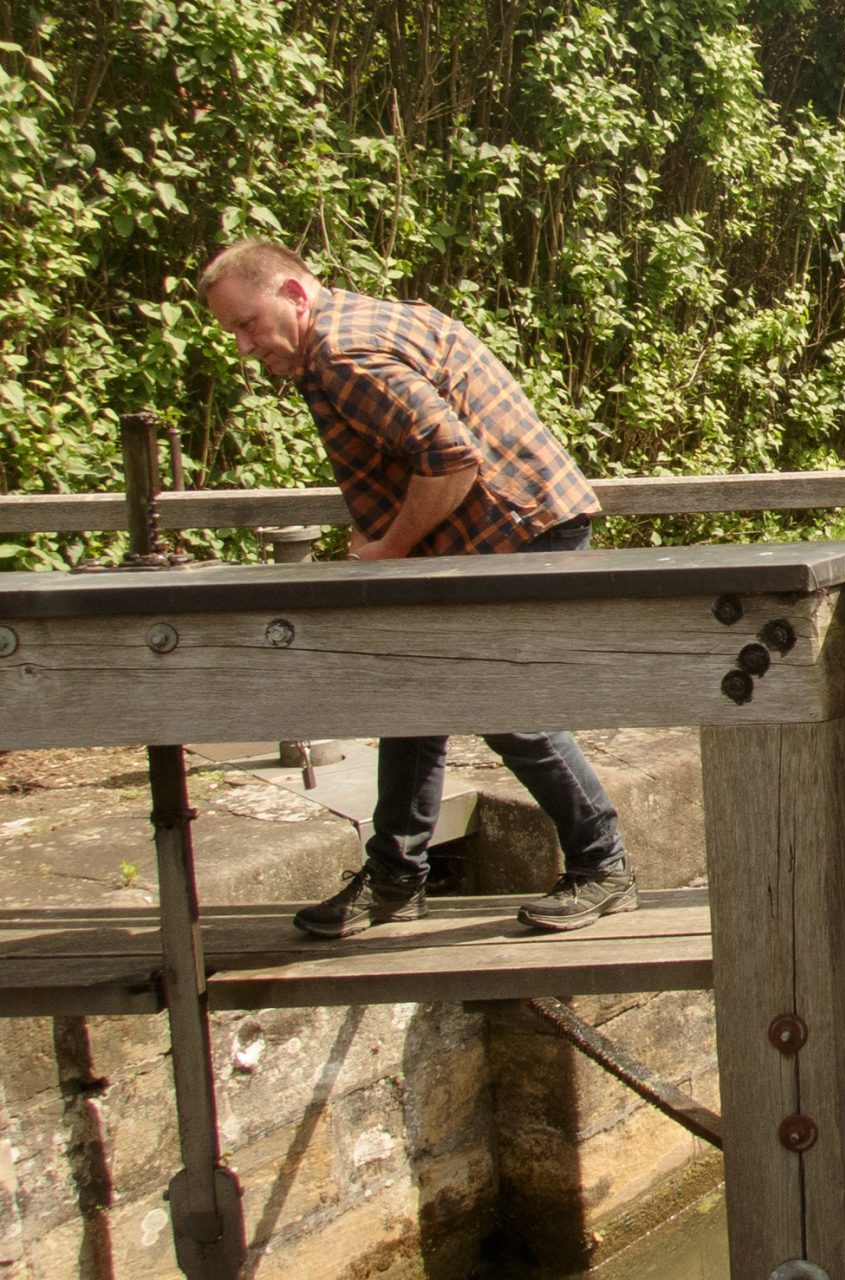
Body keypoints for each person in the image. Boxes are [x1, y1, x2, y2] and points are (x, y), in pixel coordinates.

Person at [197, 240, 639, 938]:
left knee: (508, 709)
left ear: (293, 292)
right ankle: (396, 878)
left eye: (248, 324)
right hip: (497, 531)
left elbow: (450, 454)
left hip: (513, 531)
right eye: (234, 334)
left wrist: (388, 548)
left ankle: (604, 866)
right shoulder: (357, 326)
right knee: (408, 695)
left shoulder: (341, 354)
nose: (246, 346)